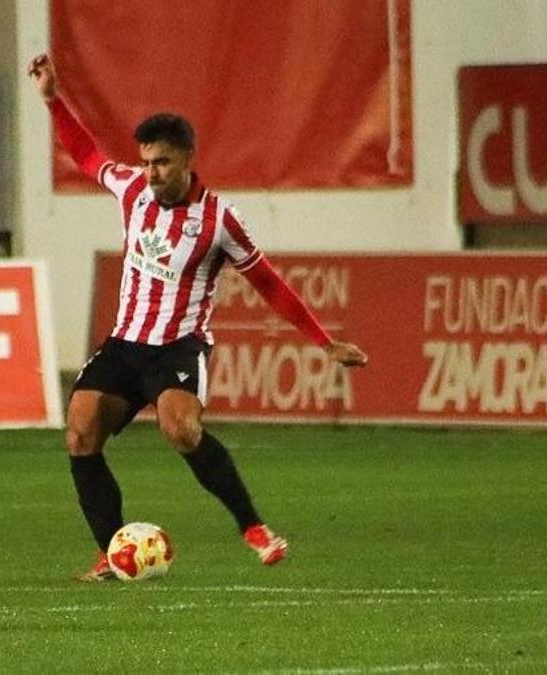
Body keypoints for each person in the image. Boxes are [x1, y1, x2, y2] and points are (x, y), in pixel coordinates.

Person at [27, 53, 368, 581]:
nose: (151, 173)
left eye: (161, 162)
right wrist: (53, 98)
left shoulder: (220, 220)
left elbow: (267, 283)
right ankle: (112, 552)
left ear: (187, 157)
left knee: (181, 428)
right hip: (125, 343)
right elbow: (85, 151)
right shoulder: (131, 190)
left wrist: (324, 342)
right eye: (145, 162)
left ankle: (254, 528)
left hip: (179, 347)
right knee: (79, 432)